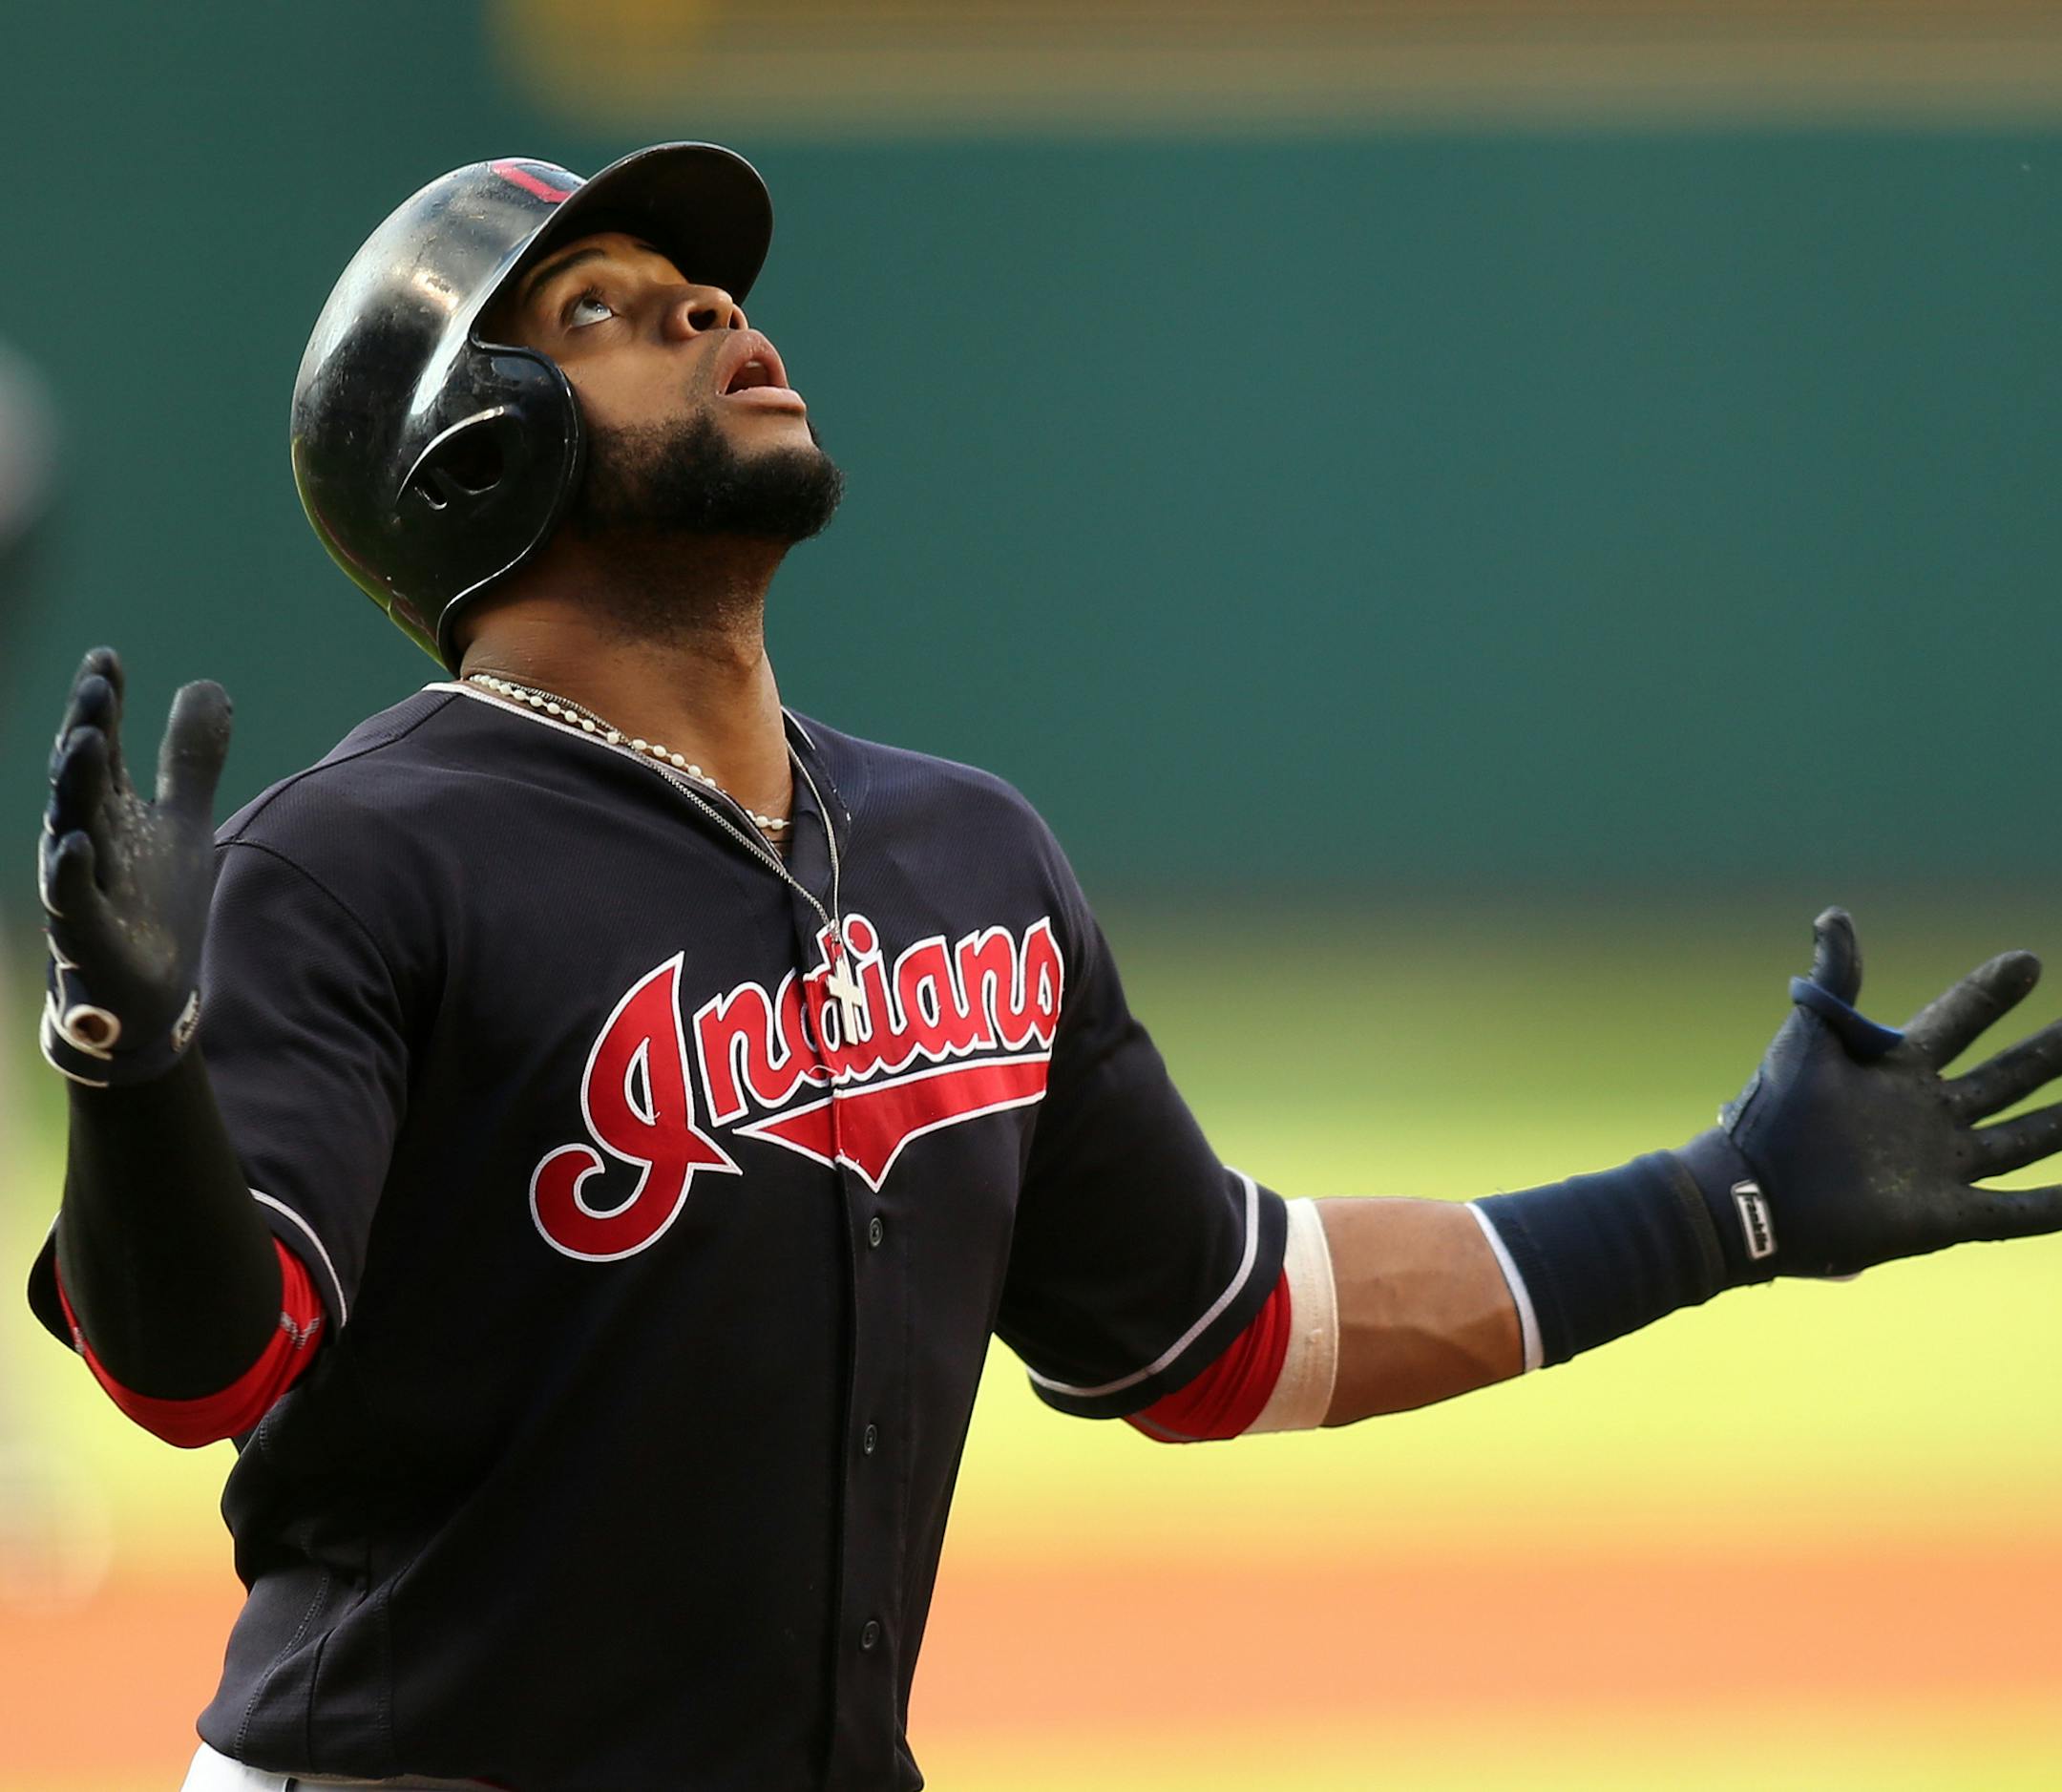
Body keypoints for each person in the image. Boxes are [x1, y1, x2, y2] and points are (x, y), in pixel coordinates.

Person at [28, 143, 2062, 1792]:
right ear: (477, 458)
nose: (714, 311)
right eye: (605, 312)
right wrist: (126, 1069)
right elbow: (201, 1368)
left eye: (704, 285)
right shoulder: (364, 858)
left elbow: (1227, 1326)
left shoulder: (957, 848)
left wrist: (1730, 1199)